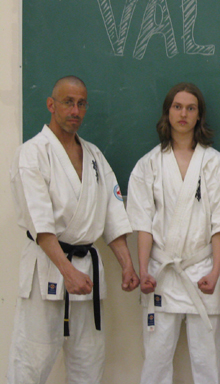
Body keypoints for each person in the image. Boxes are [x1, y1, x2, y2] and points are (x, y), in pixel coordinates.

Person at [7, 75, 140, 384]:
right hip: (47, 270)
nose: (75, 111)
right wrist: (67, 271)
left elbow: (111, 214)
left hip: (87, 274)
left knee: (89, 362)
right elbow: (40, 224)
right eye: (68, 102)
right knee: (31, 361)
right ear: (51, 105)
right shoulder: (32, 153)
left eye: (81, 104)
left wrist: (127, 265)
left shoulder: (94, 156)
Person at [126, 82, 220, 384]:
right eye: (177, 107)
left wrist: (216, 272)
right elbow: (143, 224)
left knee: (207, 363)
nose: (183, 114)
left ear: (199, 115)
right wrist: (143, 270)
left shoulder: (216, 164)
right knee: (156, 360)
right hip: (161, 273)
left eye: (191, 108)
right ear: (168, 112)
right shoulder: (148, 164)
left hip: (203, 269)